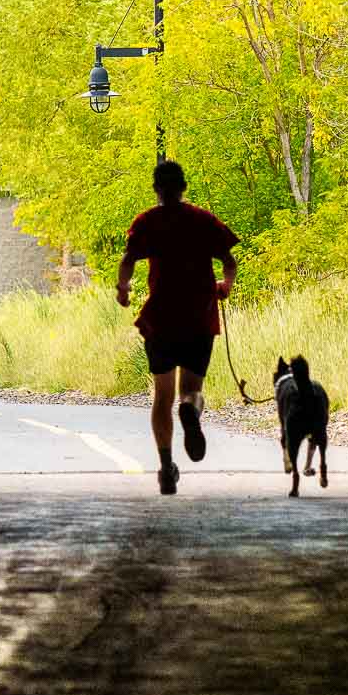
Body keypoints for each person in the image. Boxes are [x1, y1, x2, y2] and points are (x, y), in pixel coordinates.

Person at [115, 160, 238, 495]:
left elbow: (127, 260)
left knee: (161, 395)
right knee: (191, 391)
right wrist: (225, 285)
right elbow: (228, 261)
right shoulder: (202, 220)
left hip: (161, 321)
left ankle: (166, 467)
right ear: (183, 187)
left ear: (157, 189)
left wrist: (123, 290)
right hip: (198, 318)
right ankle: (191, 409)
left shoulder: (147, 222)